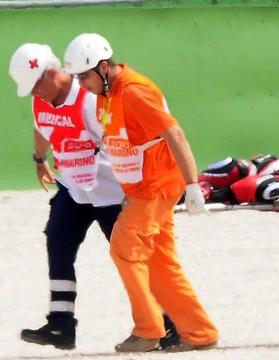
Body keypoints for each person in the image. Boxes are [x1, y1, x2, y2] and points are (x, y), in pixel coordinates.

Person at [8, 43, 177, 351]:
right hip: (74, 188)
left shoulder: (89, 100)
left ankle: (171, 324)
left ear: (51, 73)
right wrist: (39, 159)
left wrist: (134, 188)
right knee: (58, 240)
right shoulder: (42, 100)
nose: (34, 95)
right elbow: (41, 126)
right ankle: (60, 326)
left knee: (133, 257)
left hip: (110, 191)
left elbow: (121, 137)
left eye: (35, 86)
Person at [63, 33, 217, 353]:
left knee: (123, 246)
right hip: (142, 189)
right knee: (161, 263)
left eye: (84, 76)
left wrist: (192, 185)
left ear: (103, 67)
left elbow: (174, 132)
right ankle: (199, 332)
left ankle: (147, 330)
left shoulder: (134, 91)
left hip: (156, 186)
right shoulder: (107, 93)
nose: (81, 84)